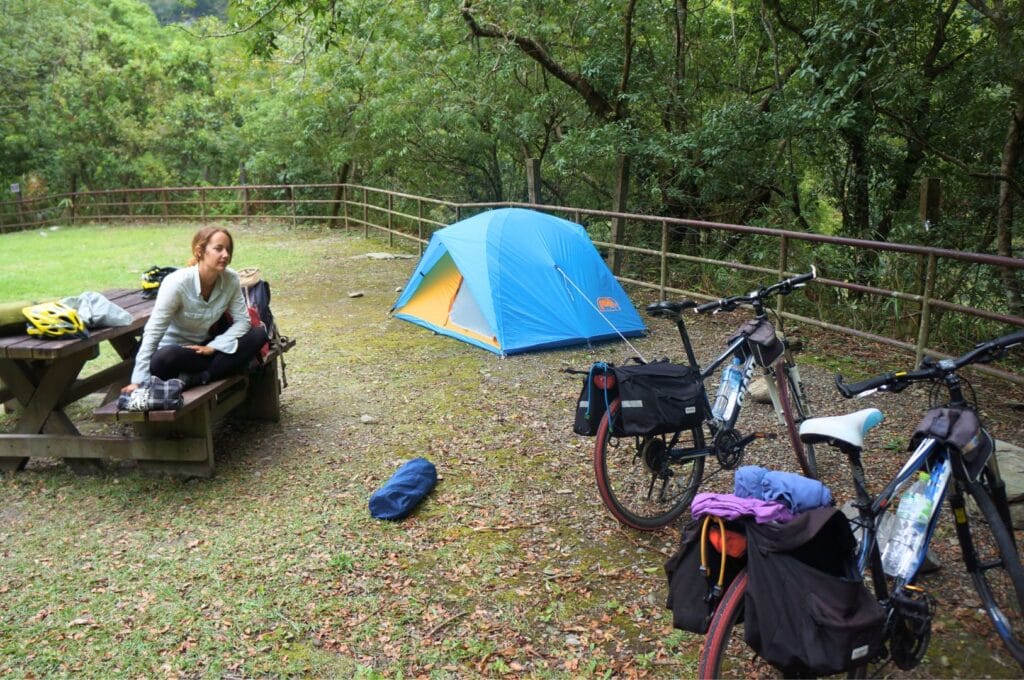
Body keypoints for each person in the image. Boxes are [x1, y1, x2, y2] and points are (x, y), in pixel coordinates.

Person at [121, 226, 267, 395]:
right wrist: (138, 381)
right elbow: (153, 331)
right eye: (218, 249)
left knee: (259, 335)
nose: (225, 255)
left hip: (204, 350)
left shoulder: (231, 279)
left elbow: (243, 321)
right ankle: (219, 368)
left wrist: (213, 346)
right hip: (175, 354)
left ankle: (200, 378)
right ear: (200, 251)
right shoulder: (176, 283)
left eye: (228, 249)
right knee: (164, 357)